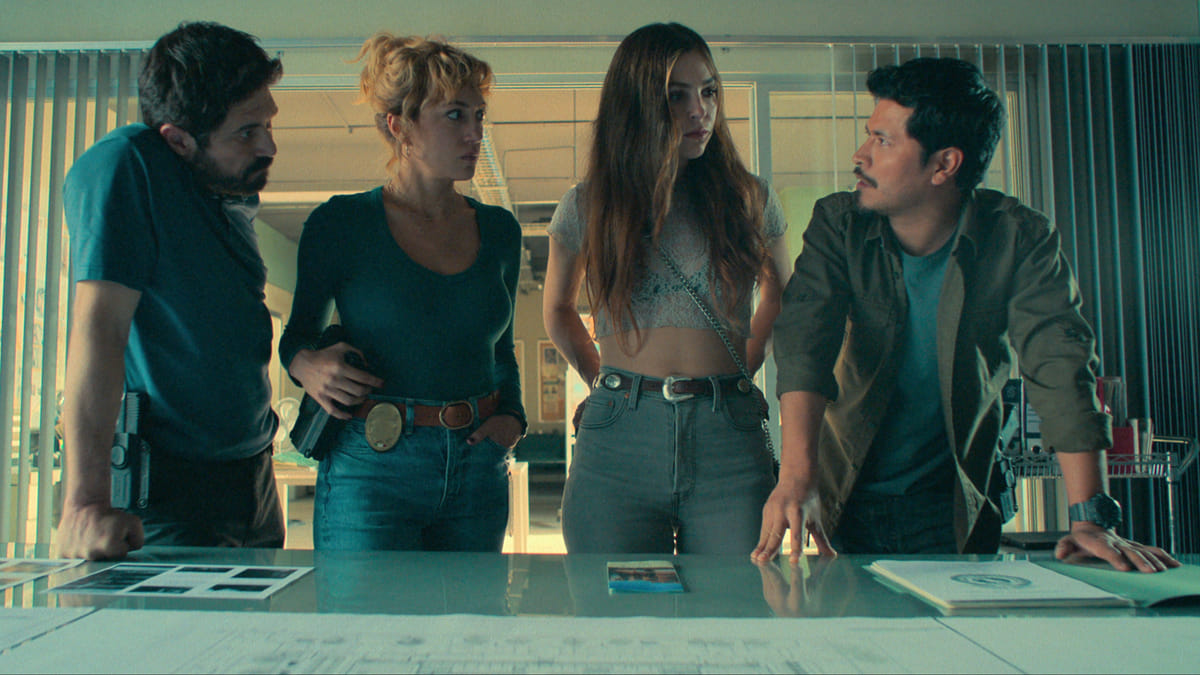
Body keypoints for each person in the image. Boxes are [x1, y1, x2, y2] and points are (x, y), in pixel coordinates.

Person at [754, 57, 1179, 573]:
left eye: (883, 141)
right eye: (869, 135)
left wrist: (1089, 518)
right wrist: (796, 479)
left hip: (953, 502)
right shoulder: (839, 224)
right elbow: (805, 342)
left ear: (944, 164)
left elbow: (1061, 364)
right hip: (842, 491)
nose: (860, 155)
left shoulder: (1018, 237)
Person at [544, 23, 791, 554]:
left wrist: (742, 370)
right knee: (618, 600)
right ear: (636, 105)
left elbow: (781, 297)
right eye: (677, 96)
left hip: (728, 429)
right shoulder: (589, 203)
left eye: (709, 91)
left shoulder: (749, 198)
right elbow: (558, 308)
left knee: (735, 598)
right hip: (620, 430)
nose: (700, 111)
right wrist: (598, 377)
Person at [278, 34, 525, 552]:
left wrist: (513, 417)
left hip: (477, 461)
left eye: (479, 116)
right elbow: (296, 337)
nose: (475, 133)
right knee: (364, 608)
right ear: (399, 126)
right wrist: (308, 366)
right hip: (371, 465)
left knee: (474, 607)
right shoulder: (341, 224)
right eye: (455, 115)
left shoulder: (500, 230)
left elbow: (499, 348)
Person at [59, 22, 284, 558]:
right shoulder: (128, 164)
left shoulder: (222, 189)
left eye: (268, 123)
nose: (269, 145)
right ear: (178, 139)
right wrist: (85, 503)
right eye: (246, 132)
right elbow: (99, 329)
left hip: (253, 476)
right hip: (171, 492)